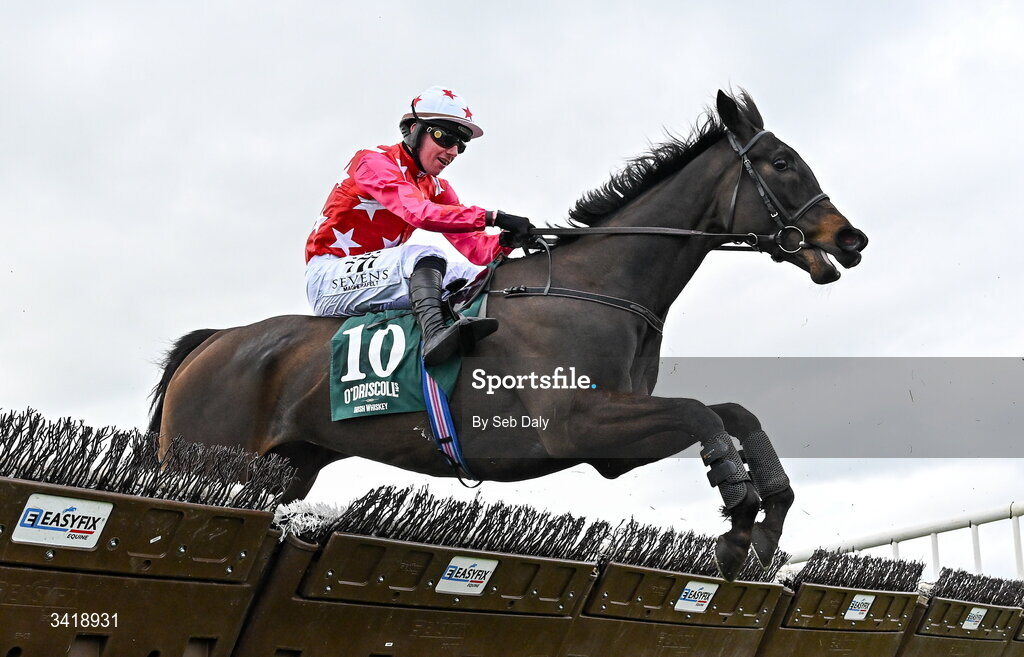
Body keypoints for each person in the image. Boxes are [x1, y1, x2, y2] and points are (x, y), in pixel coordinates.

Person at [305, 86, 535, 365]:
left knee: (472, 274)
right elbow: (419, 214)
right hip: (329, 278)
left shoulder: (438, 187)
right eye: (446, 137)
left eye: (460, 145)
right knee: (424, 255)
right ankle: (436, 335)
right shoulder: (371, 161)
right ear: (414, 130)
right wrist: (494, 217)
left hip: (380, 276)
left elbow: (477, 251)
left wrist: (507, 241)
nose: (452, 151)